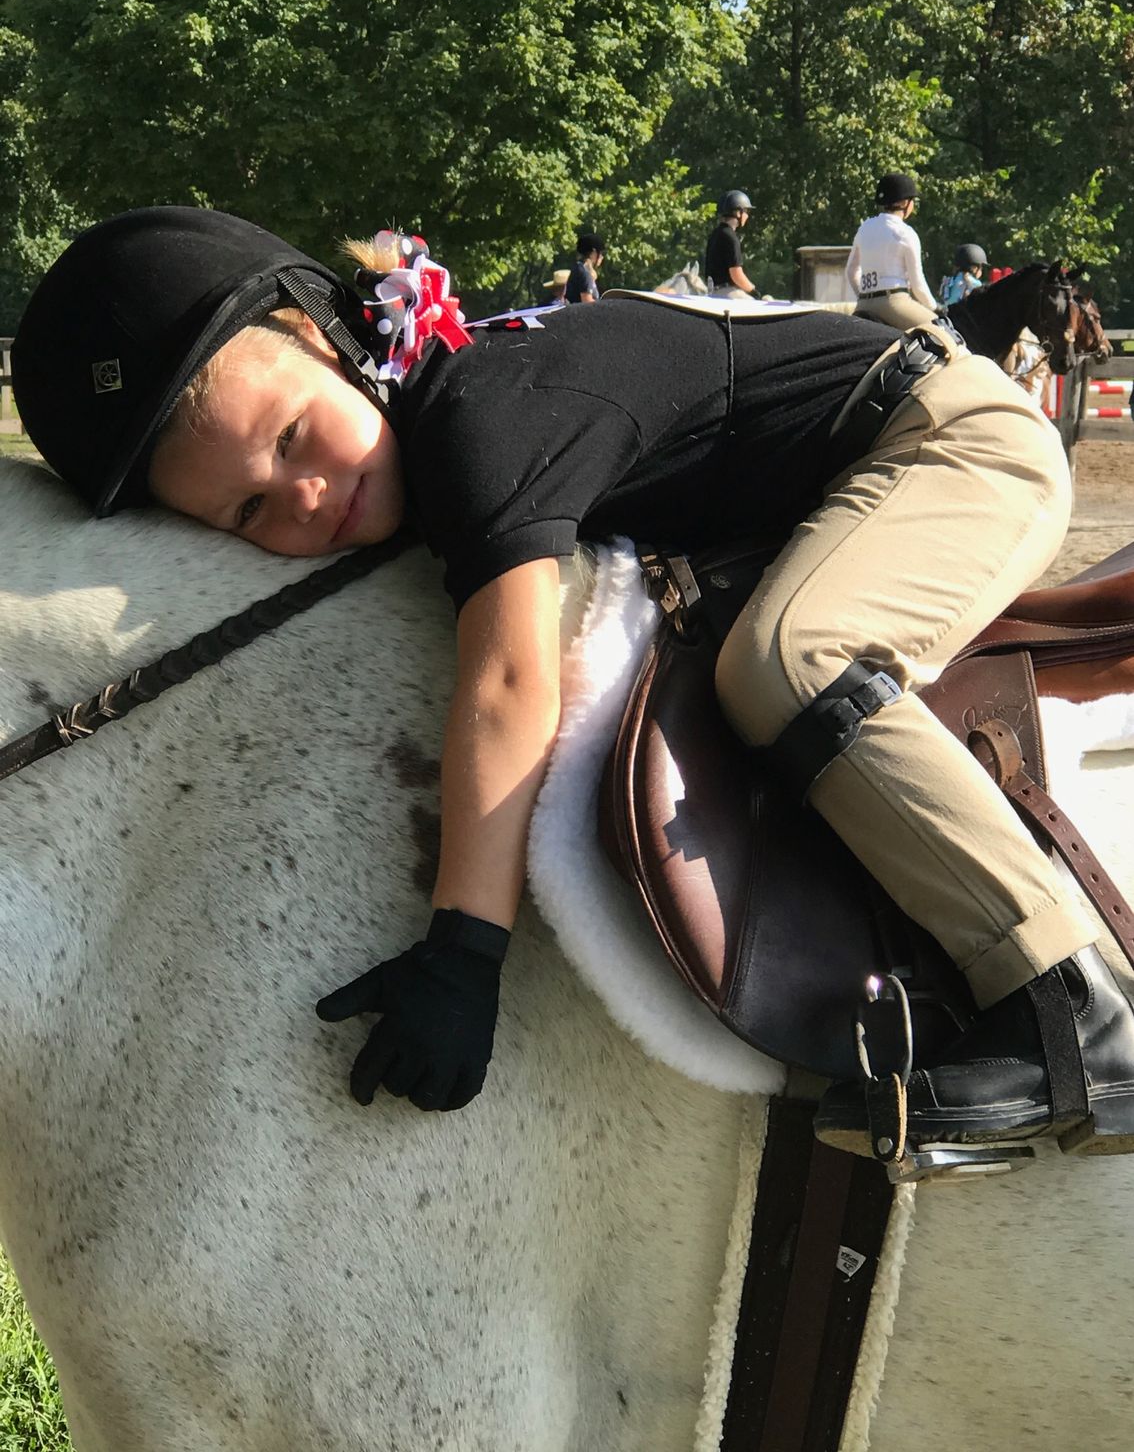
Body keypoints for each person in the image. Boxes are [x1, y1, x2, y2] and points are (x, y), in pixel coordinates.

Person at [13, 205, 1134, 1164]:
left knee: (787, 663)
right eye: (251, 511)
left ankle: (1071, 1006)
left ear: (328, 341)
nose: (305, 496)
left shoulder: (479, 418)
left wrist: (464, 952)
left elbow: (508, 682)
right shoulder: (437, 414)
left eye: (298, 436)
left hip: (951, 445)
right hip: (854, 467)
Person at [846, 173, 938, 330]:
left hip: (862, 305)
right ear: (904, 203)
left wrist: (863, 296)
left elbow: (851, 271)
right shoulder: (905, 233)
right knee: (946, 332)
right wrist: (936, 308)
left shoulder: (864, 228)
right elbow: (918, 284)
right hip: (894, 302)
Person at [705, 190, 756, 298]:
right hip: (728, 293)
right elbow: (736, 274)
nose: (747, 216)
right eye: (746, 211)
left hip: (711, 293)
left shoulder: (715, 234)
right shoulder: (731, 237)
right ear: (738, 213)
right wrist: (753, 290)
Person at [939, 243, 988, 308]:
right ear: (975, 268)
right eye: (981, 268)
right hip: (961, 315)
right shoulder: (976, 284)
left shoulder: (949, 280)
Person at [564, 234, 604, 304]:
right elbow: (587, 302)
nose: (602, 257)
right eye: (600, 253)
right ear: (593, 252)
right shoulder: (585, 273)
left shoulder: (578, 268)